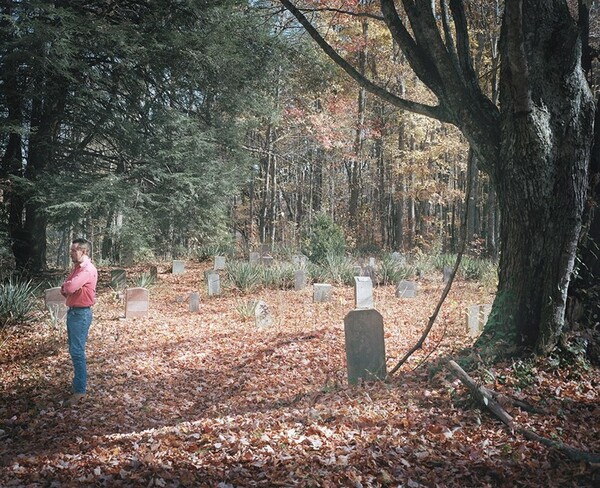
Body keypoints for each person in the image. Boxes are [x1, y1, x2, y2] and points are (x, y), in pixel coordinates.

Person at [61, 238, 98, 406]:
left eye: (74, 250)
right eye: (71, 250)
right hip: (74, 312)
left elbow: (68, 288)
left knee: (77, 352)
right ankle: (78, 386)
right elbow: (66, 287)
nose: (71, 253)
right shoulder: (77, 268)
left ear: (84, 251)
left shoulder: (87, 270)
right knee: (74, 350)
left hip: (81, 314)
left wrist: (68, 287)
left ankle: (80, 391)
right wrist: (67, 287)